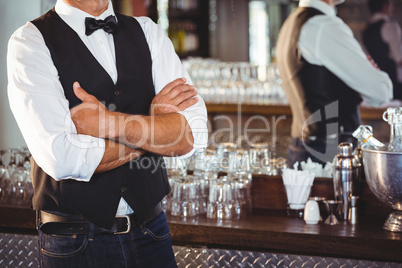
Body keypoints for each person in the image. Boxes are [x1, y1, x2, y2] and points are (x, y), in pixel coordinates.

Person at [7, 0, 208, 267]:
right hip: (73, 242)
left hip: (152, 231)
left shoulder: (149, 32)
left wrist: (106, 124)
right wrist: (154, 128)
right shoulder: (30, 41)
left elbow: (194, 133)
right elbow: (62, 157)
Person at [276, 0, 393, 167]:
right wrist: (369, 75)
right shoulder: (324, 26)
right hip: (331, 155)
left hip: (302, 149)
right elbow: (381, 92)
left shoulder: (292, 23)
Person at [363, 0, 402, 100]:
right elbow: (399, 58)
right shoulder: (390, 26)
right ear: (386, 6)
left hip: (375, 80)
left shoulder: (366, 30)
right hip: (394, 80)